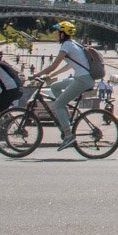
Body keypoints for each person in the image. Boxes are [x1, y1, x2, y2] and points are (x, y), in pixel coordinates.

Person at [33, 21, 96, 151]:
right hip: (82, 77)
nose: (55, 34)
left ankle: (68, 136)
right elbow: (69, 65)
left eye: (57, 32)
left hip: (82, 80)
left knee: (58, 105)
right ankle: (66, 116)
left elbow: (54, 64)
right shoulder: (73, 44)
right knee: (55, 87)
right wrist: (52, 76)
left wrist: (37, 75)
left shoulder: (66, 45)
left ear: (63, 34)